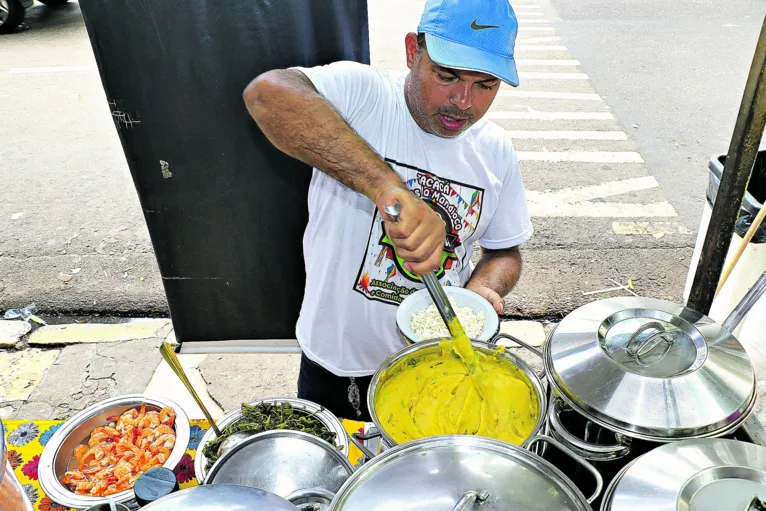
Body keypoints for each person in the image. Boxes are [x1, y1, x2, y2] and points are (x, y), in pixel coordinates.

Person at [243, 0, 532, 421]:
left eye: (485, 84)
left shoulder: (496, 150)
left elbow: (505, 252)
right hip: (337, 367)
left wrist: (484, 290)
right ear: (414, 51)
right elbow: (267, 95)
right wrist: (389, 190)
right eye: (446, 75)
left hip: (437, 368)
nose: (462, 100)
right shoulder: (365, 96)